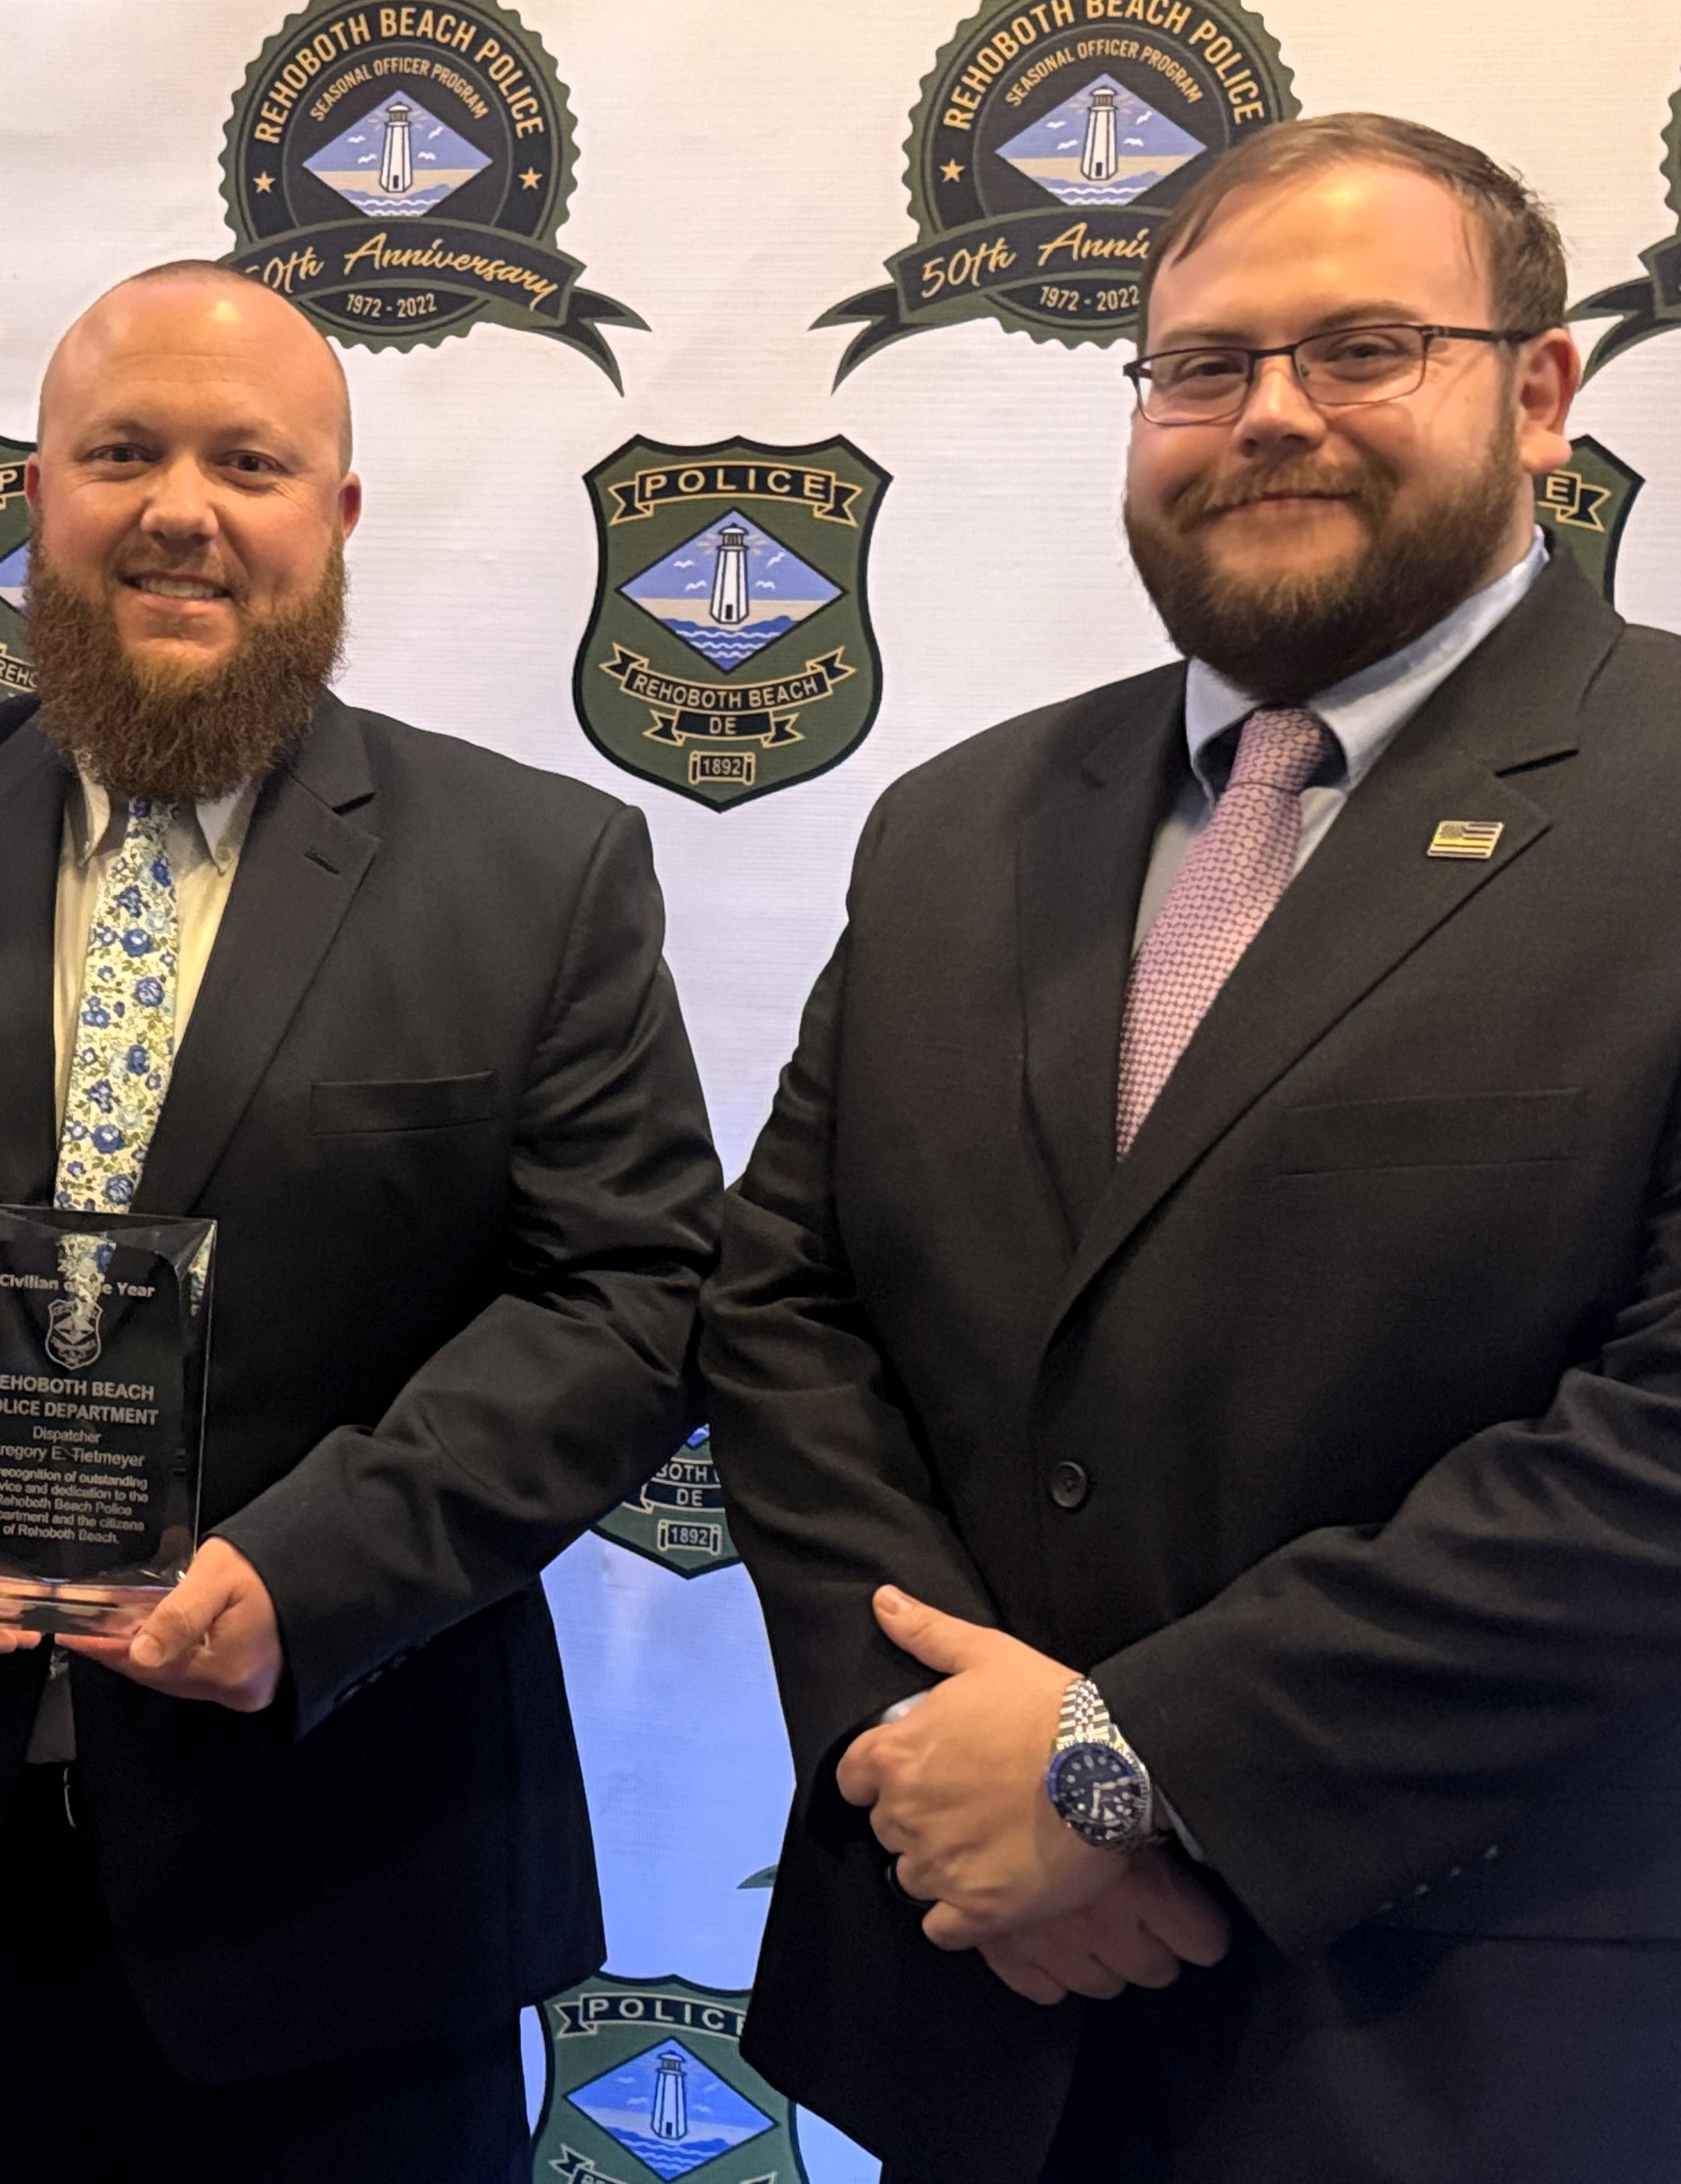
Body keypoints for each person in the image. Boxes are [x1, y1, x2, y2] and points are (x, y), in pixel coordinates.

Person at [0, 260, 724, 2182]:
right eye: (120, 451)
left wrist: (316, 1572)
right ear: (33, 495)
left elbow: (631, 1297)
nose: (178, 509)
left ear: (337, 518)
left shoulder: (541, 870)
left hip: (353, 1875)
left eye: (247, 461)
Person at [701, 112, 1681, 2182]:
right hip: (978, 2022)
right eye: (1205, 366)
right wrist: (924, 1756)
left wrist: (1129, 1770)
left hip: (1487, 2044)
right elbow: (787, 1315)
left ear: (1540, 388)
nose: (1273, 418)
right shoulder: (960, 826)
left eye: (1361, 350)